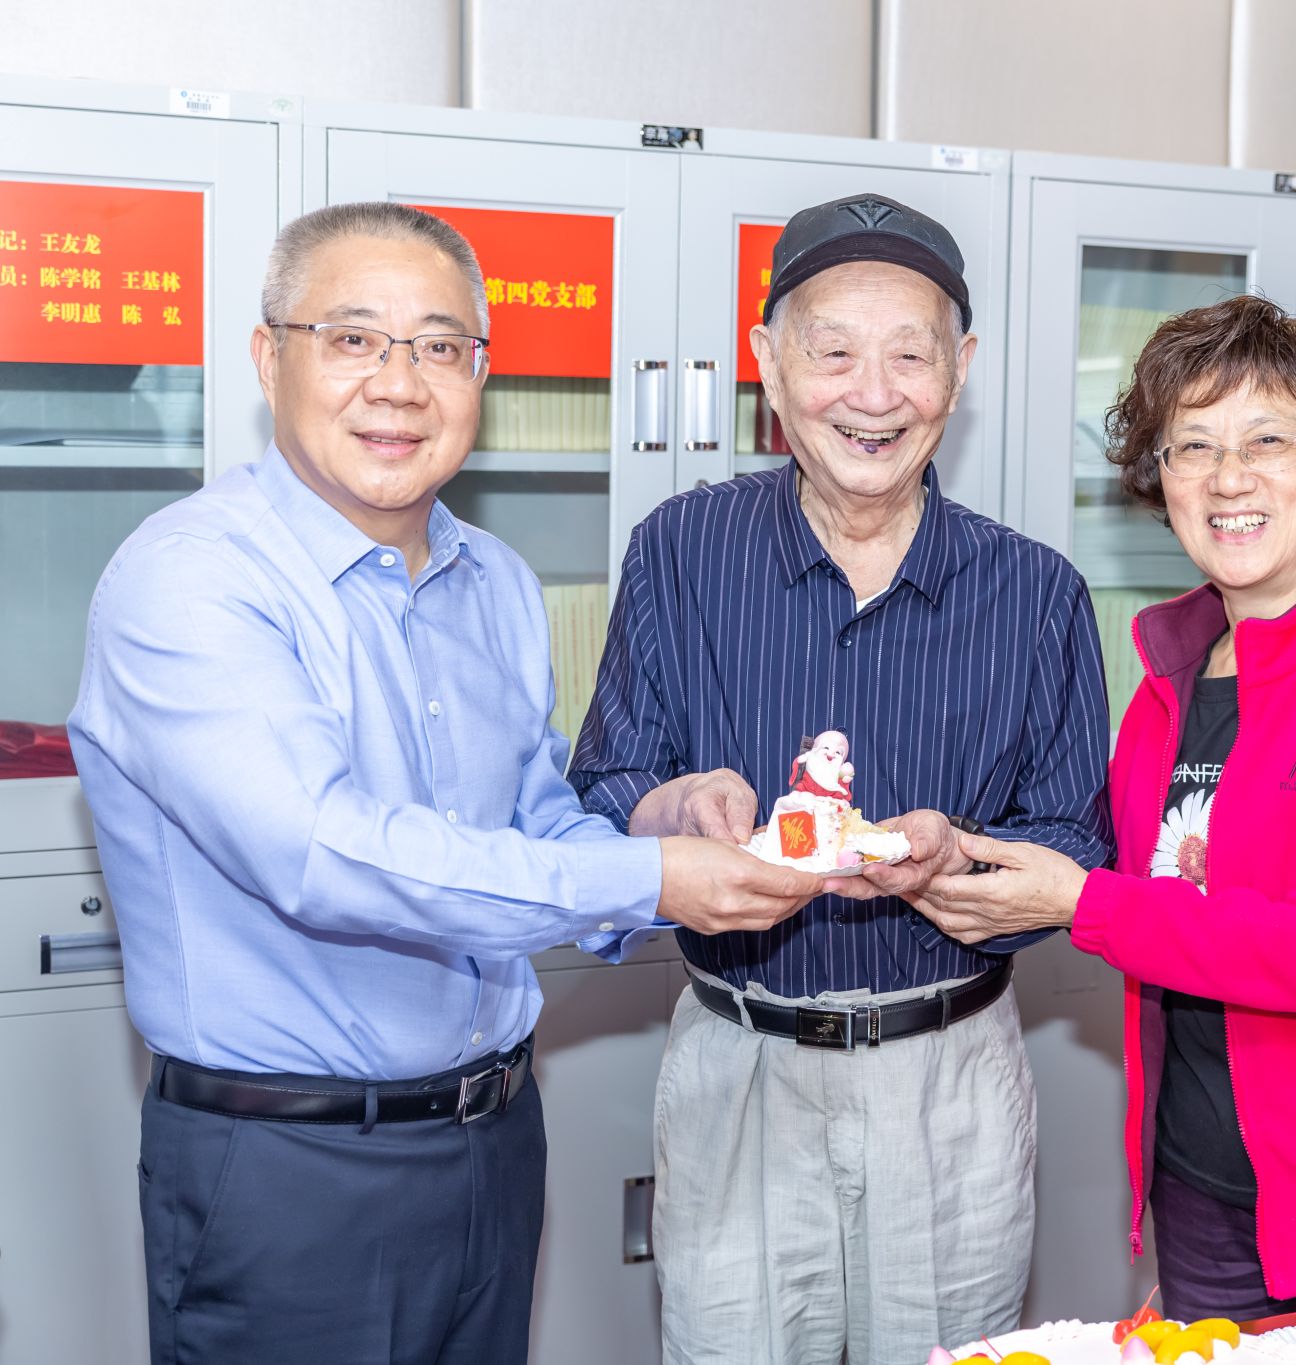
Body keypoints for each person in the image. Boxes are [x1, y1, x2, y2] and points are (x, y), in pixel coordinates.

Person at [66, 203, 824, 1364]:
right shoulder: (189, 579)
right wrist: (650, 879)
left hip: (492, 1141)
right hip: (288, 1172)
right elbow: (325, 853)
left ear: (480, 374)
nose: (398, 384)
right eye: (352, 338)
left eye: (438, 346)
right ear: (269, 357)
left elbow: (531, 812)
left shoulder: (496, 581)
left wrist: (655, 826)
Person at [897, 295, 1296, 1320]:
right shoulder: (1173, 674)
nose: (1229, 478)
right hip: (1205, 1199)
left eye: (1267, 440)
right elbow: (1142, 887)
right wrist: (959, 857)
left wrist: (1080, 903)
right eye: (1192, 446)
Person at [567, 193, 1113, 1363]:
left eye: (909, 355)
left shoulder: (1036, 592)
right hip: (739, 1063)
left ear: (960, 371)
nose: (873, 394)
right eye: (832, 353)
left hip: (951, 1075)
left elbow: (1078, 841)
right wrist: (678, 811)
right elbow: (607, 782)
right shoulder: (681, 550)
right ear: (768, 362)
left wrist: (956, 863)